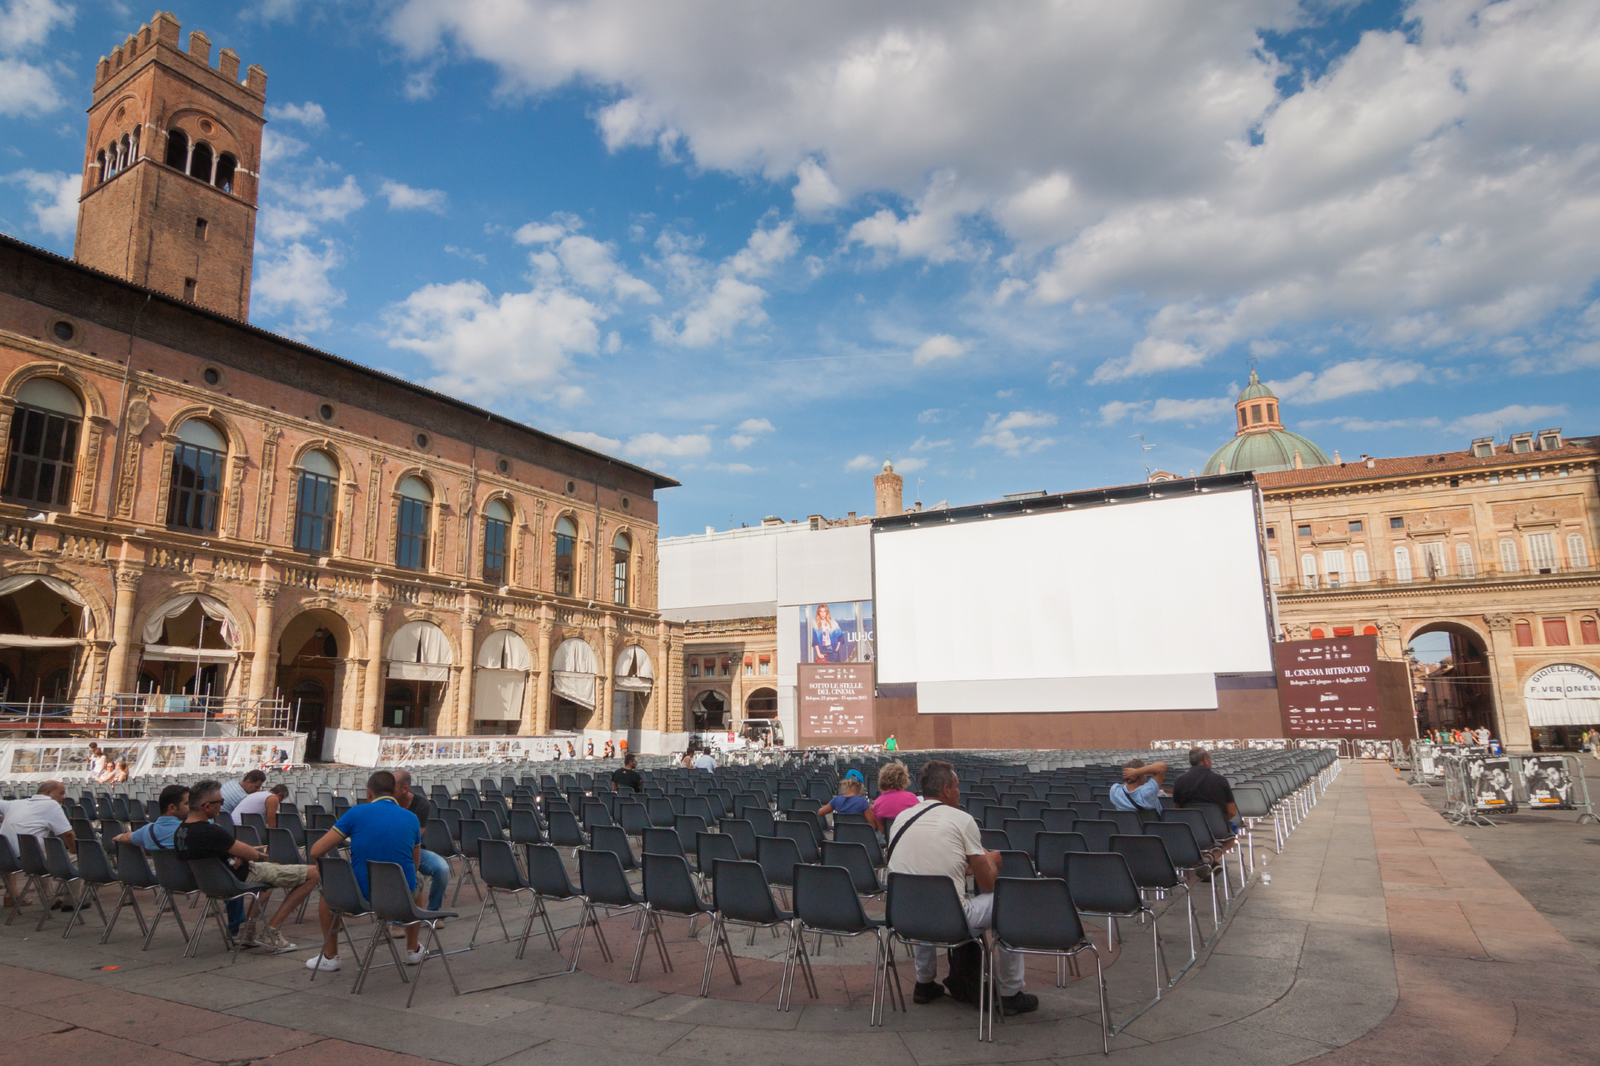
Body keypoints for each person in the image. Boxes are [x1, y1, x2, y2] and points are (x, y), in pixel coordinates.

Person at [885, 760, 1036, 1016]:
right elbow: (988, 884)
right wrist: (991, 861)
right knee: (1007, 903)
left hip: (903, 917)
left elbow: (926, 865)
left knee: (921, 894)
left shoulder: (902, 818)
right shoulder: (962, 819)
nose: (959, 792)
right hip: (951, 919)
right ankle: (1011, 992)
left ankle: (924, 983)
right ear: (946, 789)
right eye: (956, 787)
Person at [174, 779, 319, 954]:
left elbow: (213, 853)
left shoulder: (181, 831)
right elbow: (252, 856)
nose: (222, 805)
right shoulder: (212, 831)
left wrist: (238, 853)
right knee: (314, 873)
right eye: (220, 802)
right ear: (206, 806)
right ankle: (271, 930)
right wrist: (250, 853)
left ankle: (248, 929)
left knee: (271, 871)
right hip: (237, 879)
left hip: (211, 883)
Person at [305, 771, 424, 973]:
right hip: (400, 898)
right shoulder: (412, 818)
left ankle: (330, 956)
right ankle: (412, 948)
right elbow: (415, 863)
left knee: (327, 893)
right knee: (417, 881)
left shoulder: (356, 813)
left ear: (369, 793)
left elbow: (316, 850)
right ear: (395, 791)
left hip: (358, 898)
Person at [0, 780, 74, 908]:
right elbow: (67, 834)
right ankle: (73, 902)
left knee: (38, 850)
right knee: (74, 859)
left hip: (5, 857)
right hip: (29, 860)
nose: (63, 797)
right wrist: (74, 850)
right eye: (61, 793)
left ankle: (14, 894)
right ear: (48, 792)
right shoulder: (52, 805)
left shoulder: (15, 804)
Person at [394, 770, 450, 913]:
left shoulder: (421, 804)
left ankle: (433, 912)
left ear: (405, 788)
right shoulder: (387, 802)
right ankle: (395, 917)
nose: (388, 790)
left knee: (442, 869)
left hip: (415, 851)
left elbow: (416, 837)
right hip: (391, 850)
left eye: (392, 787)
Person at [115, 784, 188, 851]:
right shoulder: (190, 830)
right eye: (187, 803)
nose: (191, 807)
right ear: (172, 808)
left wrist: (120, 837)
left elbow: (127, 838)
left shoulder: (147, 831)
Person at [867, 761, 919, 831]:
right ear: (904, 779)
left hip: (889, 839)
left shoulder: (878, 803)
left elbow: (882, 830)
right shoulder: (911, 798)